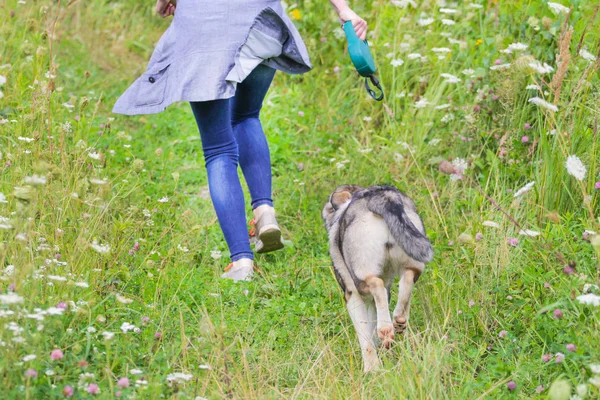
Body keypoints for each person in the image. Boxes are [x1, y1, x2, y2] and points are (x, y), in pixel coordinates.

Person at [113, 0, 367, 281]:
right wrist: (344, 10)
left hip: (205, 30)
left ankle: (241, 263)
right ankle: (264, 213)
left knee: (218, 150)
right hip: (258, 25)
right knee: (246, 116)